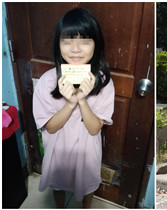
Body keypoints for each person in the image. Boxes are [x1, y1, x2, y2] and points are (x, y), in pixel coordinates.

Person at [32, 8, 115, 208]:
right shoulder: (47, 81)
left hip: (87, 151)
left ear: (96, 44)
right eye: (67, 41)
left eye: (85, 41)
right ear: (58, 45)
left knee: (87, 186)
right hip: (58, 149)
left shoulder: (103, 82)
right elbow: (50, 127)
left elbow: (95, 128)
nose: (75, 49)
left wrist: (83, 100)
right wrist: (70, 103)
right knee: (58, 185)